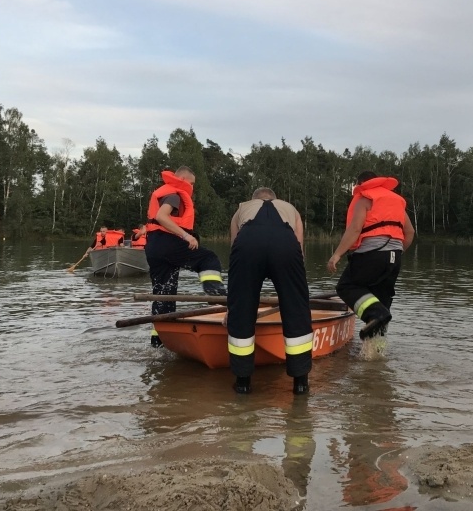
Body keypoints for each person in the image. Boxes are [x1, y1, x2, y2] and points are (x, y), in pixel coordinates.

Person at [226, 187, 312, 395]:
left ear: (253, 200)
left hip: (248, 244)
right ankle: (300, 383)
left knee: (242, 308)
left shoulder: (241, 210)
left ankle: (243, 383)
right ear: (275, 199)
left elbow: (234, 249)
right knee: (296, 308)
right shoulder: (291, 210)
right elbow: (299, 250)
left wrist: (233, 306)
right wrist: (296, 291)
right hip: (286, 245)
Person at [144, 166, 227, 348]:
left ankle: (158, 343)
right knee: (208, 258)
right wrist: (186, 236)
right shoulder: (174, 194)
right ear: (181, 179)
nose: (192, 187)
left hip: (153, 247)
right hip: (168, 243)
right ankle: (214, 292)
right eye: (191, 183)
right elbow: (161, 216)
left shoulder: (163, 191)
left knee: (163, 294)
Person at [327, 171, 415, 339]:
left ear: (361, 184)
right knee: (381, 301)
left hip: (371, 254)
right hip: (395, 257)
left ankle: (376, 313)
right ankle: (377, 350)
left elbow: (355, 229)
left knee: (347, 287)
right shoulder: (395, 201)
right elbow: (410, 232)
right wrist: (396, 252)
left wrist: (337, 255)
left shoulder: (365, 198)